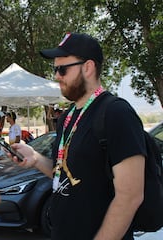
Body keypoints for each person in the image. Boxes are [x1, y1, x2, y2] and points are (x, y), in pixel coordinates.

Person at [10, 33, 145, 240]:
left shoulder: (117, 113)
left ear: (88, 67)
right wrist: (35, 158)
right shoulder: (67, 117)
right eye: (54, 69)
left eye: (62, 69)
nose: (56, 76)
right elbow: (65, 175)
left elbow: (130, 196)